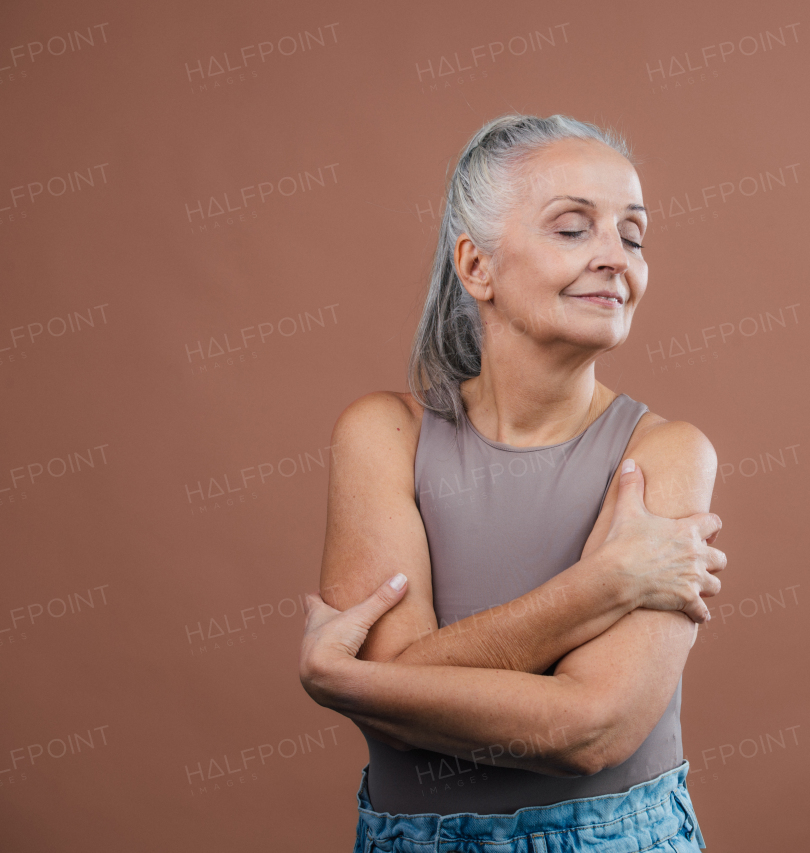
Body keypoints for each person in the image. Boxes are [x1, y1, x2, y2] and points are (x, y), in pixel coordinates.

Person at [298, 114, 727, 852]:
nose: (614, 257)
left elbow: (591, 727)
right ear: (476, 267)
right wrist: (609, 582)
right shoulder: (383, 435)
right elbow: (396, 689)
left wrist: (346, 679)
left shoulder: (666, 452)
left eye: (631, 234)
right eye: (572, 229)